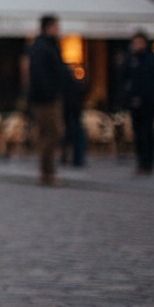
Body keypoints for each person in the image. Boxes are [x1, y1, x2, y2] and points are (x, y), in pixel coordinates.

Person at [119, 31, 154, 174]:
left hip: (148, 103)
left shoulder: (152, 61)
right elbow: (123, 77)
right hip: (134, 102)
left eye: (139, 42)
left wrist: (153, 99)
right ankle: (141, 161)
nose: (136, 45)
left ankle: (148, 161)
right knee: (138, 133)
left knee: (147, 132)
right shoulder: (131, 60)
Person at [27, 15, 66, 186]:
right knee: (54, 132)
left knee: (48, 133)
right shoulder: (43, 47)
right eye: (56, 26)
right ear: (48, 27)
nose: (58, 30)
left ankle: (47, 171)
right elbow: (41, 75)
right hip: (45, 99)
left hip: (45, 97)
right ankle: (47, 171)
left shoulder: (44, 46)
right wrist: (51, 93)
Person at [61, 65, 88, 168]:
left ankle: (70, 156)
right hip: (73, 112)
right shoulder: (74, 85)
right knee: (76, 133)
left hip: (69, 113)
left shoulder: (64, 86)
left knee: (70, 134)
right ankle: (77, 158)